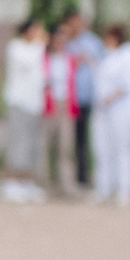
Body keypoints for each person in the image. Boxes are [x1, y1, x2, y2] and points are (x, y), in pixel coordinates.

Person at [90, 23, 130, 205]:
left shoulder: (129, 53)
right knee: (103, 149)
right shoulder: (108, 56)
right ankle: (104, 188)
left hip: (123, 109)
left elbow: (129, 83)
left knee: (123, 149)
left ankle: (125, 190)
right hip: (104, 111)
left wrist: (110, 98)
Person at [61, 10, 104, 191]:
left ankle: (84, 176)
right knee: (68, 139)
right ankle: (68, 177)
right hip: (68, 98)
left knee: (84, 139)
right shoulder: (65, 42)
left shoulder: (92, 42)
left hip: (86, 97)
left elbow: (101, 65)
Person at [1, 19, 47, 184]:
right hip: (19, 102)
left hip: (34, 103)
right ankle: (13, 181)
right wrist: (40, 44)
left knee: (31, 143)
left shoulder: (39, 49)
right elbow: (28, 61)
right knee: (18, 142)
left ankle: (27, 180)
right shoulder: (15, 47)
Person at [40, 28, 79, 199]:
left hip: (65, 104)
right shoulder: (45, 59)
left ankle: (67, 185)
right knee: (44, 145)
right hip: (50, 104)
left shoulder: (69, 60)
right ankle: (44, 183)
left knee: (65, 147)